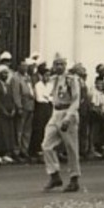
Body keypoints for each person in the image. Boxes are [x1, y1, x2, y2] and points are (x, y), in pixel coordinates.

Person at [42, 54, 85, 193]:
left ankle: (74, 179)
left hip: (68, 113)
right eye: (56, 64)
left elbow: (76, 100)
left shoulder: (72, 80)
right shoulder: (54, 80)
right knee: (46, 145)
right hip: (56, 112)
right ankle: (54, 175)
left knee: (71, 148)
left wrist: (68, 118)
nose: (59, 67)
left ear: (65, 66)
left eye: (61, 64)